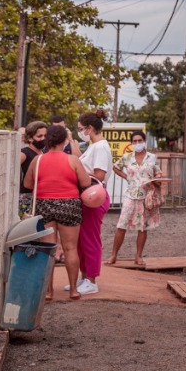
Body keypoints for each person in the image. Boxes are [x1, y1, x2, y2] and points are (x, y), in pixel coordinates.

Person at [23, 124, 90, 300]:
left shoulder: (38, 160)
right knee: (70, 248)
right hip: (69, 206)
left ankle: (48, 291)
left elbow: (28, 185)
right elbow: (85, 183)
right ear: (64, 140)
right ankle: (74, 290)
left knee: (48, 250)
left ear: (47, 139)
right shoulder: (73, 160)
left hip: (44, 205)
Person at [107, 130, 164, 268]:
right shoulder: (127, 157)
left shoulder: (152, 157)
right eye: (135, 141)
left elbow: (158, 173)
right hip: (130, 195)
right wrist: (127, 177)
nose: (138, 143)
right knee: (122, 225)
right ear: (131, 143)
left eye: (140, 140)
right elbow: (115, 167)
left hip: (146, 196)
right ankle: (113, 254)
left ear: (144, 141)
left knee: (143, 227)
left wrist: (157, 179)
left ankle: (138, 256)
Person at [73, 110, 112, 296]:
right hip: (86, 197)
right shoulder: (94, 146)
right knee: (81, 240)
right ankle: (84, 276)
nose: (79, 132)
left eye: (81, 129)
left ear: (90, 128)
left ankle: (92, 279)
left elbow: (99, 175)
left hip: (94, 197)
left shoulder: (100, 147)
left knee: (90, 239)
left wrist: (77, 169)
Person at [18, 120, 47, 218]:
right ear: (30, 138)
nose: (43, 139)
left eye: (45, 136)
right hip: (27, 197)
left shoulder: (43, 153)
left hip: (40, 197)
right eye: (40, 136)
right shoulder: (24, 153)